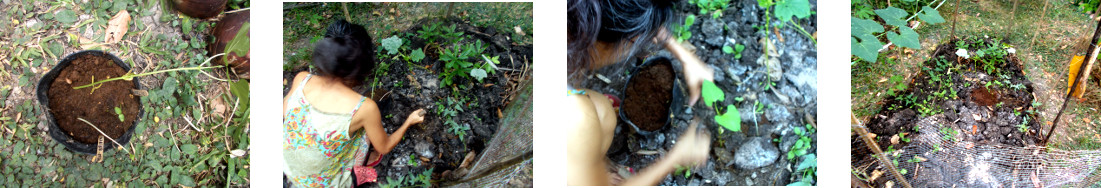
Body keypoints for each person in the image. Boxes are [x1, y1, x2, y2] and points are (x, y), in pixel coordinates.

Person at [566, 0, 715, 185]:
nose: (640, 45)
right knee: (588, 120)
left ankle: (587, 163)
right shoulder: (575, 115)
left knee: (602, 110)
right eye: (636, 42)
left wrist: (686, 57)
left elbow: (625, 9)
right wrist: (674, 159)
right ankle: (584, 171)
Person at [283, 19, 426, 188]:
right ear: (363, 67)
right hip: (322, 183)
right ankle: (355, 175)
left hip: (289, 166)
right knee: (364, 132)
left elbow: (286, 115)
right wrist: (408, 122)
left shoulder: (302, 78)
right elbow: (384, 147)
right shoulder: (364, 107)